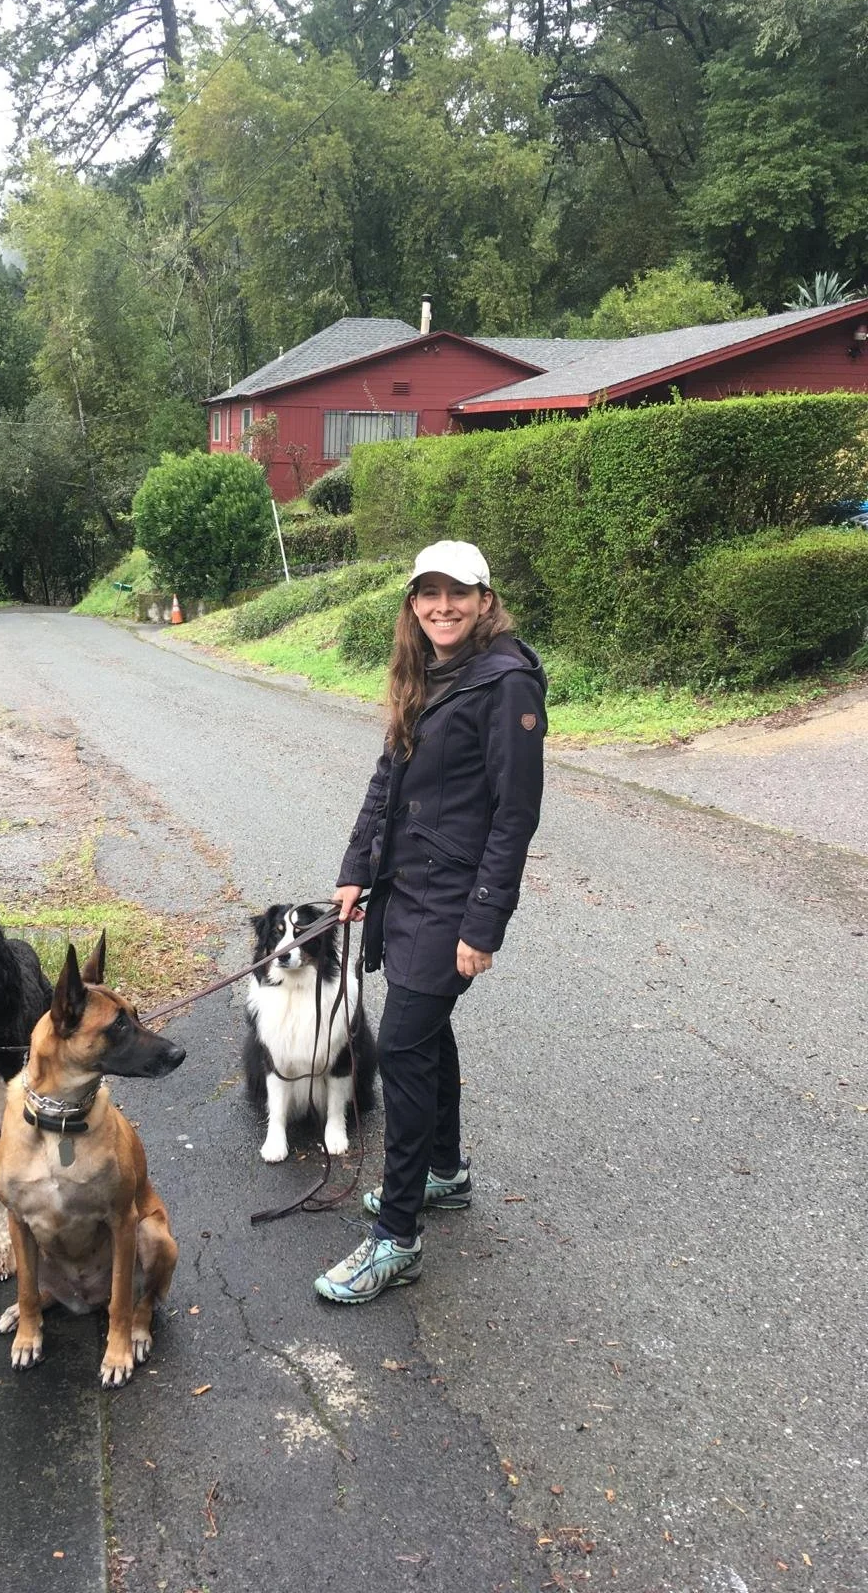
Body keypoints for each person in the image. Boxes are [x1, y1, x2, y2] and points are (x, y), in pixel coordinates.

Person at [314, 540, 546, 1304]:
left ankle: (398, 1237)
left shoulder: (506, 683)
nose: (443, 607)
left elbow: (515, 816)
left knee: (404, 1048)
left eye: (458, 593)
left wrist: (485, 923)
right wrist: (356, 868)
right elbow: (388, 778)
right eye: (429, 594)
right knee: (425, 1030)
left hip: (454, 899)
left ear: (485, 600)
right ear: (413, 604)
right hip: (406, 888)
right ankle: (444, 1171)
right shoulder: (424, 672)